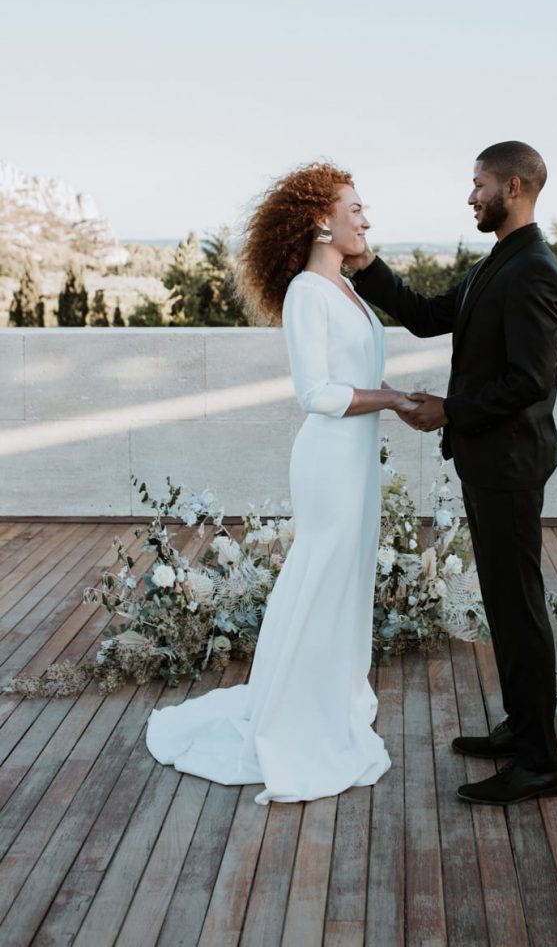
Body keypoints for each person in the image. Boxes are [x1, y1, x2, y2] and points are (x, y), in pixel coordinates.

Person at [145, 162, 417, 803]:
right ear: (321, 220)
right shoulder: (305, 292)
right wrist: (393, 398)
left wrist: (388, 399)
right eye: (355, 208)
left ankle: (331, 693)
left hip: (357, 458)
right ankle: (293, 714)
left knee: (346, 574)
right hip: (328, 460)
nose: (366, 217)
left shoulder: (348, 289)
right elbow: (315, 393)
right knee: (317, 572)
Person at [346, 141, 557, 805]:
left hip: (509, 465)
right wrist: (363, 266)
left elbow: (529, 380)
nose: (470, 195)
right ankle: (522, 727)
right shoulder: (499, 259)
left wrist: (448, 410)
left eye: (480, 184)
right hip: (487, 461)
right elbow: (427, 314)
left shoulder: (534, 269)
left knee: (520, 608)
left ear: (517, 185)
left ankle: (539, 762)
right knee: (504, 603)